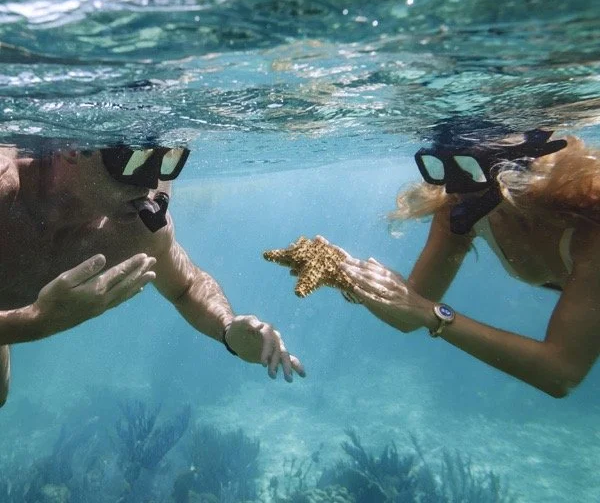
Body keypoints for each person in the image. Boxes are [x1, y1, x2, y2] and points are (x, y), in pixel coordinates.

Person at [0, 142, 305, 407]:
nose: (149, 185)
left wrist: (227, 329)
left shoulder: (136, 228)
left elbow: (186, 286)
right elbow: (40, 318)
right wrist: (40, 320)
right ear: (72, 149)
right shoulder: (5, 190)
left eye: (169, 158)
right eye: (134, 159)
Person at [335, 127, 600, 398]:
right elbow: (408, 315)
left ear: (512, 164)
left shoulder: (590, 221)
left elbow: (561, 372)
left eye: (466, 166)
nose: (452, 186)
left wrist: (430, 314)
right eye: (441, 167)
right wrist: (351, 278)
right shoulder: (458, 205)